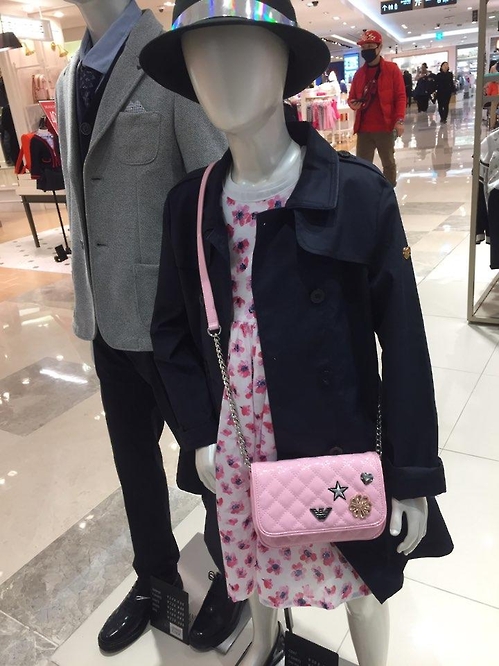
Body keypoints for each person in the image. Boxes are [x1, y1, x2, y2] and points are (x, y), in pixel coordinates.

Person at [140, 1, 453, 664]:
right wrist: (198, 431)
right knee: (252, 557)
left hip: (335, 433)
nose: (220, 74)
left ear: (284, 63)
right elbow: (169, 331)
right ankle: (262, 643)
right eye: (201, 57)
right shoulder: (188, 204)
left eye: (242, 51)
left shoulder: (357, 193)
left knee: (360, 580)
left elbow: (403, 344)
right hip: (237, 431)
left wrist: (410, 475)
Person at [56, 0, 245, 655]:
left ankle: (234, 574)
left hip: (174, 325)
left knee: (212, 462)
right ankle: (154, 576)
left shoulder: (173, 63)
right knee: (133, 462)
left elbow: (216, 194)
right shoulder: (70, 73)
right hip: (106, 318)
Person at [347, 29, 406, 187]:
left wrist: (399, 120)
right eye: (364, 47)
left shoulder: (392, 70)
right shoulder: (359, 74)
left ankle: (389, 191)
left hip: (385, 127)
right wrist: (353, 104)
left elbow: (400, 96)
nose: (366, 50)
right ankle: (366, 192)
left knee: (388, 163)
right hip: (364, 128)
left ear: (379, 47)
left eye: (370, 46)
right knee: (362, 166)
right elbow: (351, 98)